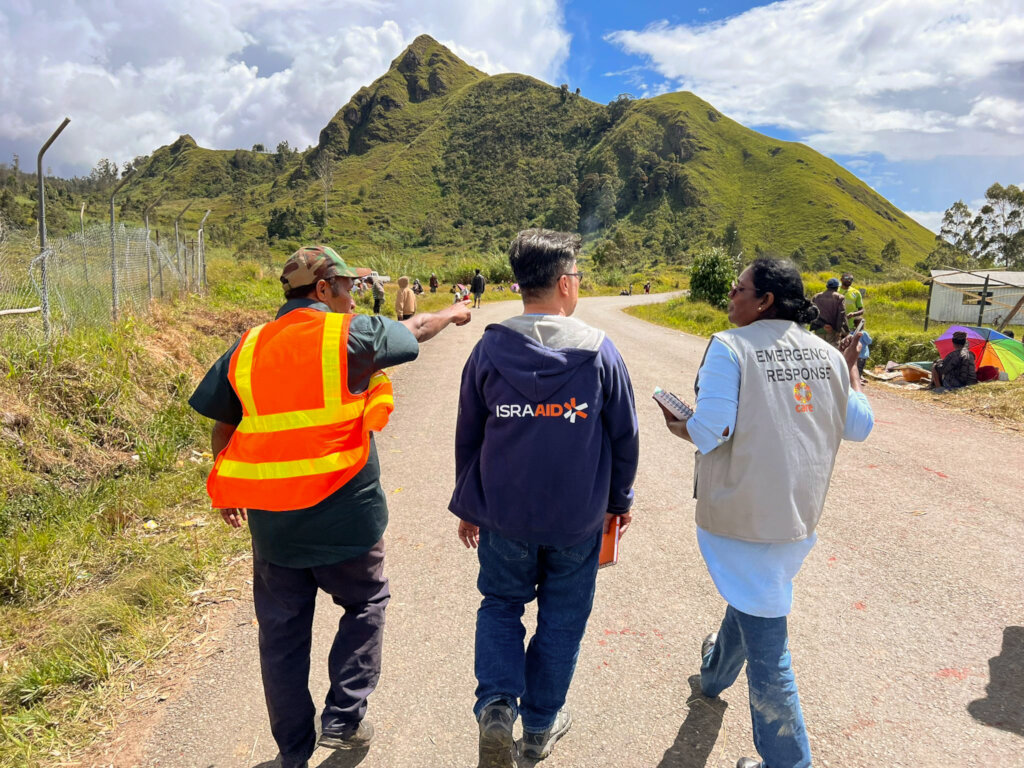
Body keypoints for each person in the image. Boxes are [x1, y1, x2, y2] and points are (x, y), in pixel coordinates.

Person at [189, 245, 471, 768]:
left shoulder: (246, 348)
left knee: (281, 636)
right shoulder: (350, 335)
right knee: (365, 604)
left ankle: (293, 752)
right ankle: (343, 718)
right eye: (346, 288)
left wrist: (230, 488)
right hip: (348, 520)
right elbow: (417, 330)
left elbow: (222, 426)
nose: (351, 297)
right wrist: (455, 313)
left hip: (275, 528)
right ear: (323, 289)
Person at [658, 258, 873, 768]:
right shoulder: (825, 353)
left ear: (765, 301)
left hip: (740, 519)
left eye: (738, 289)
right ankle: (712, 675)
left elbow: (712, 430)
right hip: (797, 517)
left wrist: (679, 425)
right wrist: (852, 371)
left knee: (769, 646)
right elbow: (860, 425)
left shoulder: (729, 347)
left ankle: (788, 761)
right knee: (755, 596)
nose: (731, 296)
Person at [451, 229, 639, 768]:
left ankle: (495, 705)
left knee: (501, 604)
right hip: (577, 521)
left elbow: (469, 433)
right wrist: (619, 501)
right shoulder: (600, 353)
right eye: (577, 278)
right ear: (563, 283)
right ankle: (536, 729)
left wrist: (470, 503)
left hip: (505, 517)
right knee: (562, 621)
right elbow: (624, 435)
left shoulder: (489, 349)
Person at [810, 277, 848, 346]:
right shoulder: (839, 297)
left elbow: (812, 314)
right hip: (833, 331)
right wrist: (840, 331)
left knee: (820, 352)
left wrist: (823, 325)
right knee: (832, 354)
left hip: (819, 330)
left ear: (827, 286)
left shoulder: (816, 296)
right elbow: (841, 315)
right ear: (837, 287)